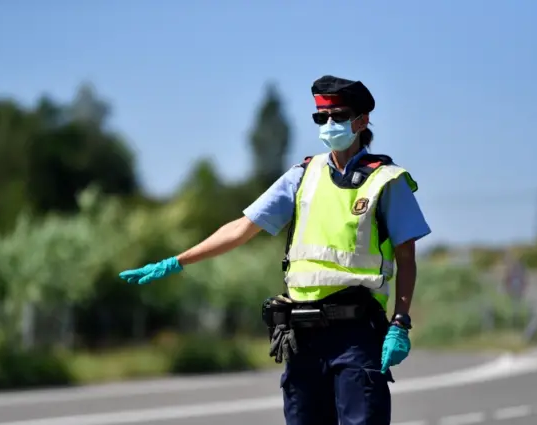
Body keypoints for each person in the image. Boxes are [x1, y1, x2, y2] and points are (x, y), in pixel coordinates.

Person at [118, 75, 431, 425]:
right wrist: (176, 261)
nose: (329, 124)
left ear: (361, 121)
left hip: (355, 335)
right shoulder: (302, 176)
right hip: (303, 335)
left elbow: (406, 257)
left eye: (338, 116)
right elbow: (241, 228)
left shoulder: (386, 180)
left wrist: (400, 323)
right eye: (321, 118)